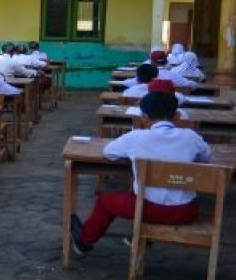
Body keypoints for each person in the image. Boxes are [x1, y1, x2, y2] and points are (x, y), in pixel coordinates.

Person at [69, 90, 212, 256]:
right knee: (141, 191)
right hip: (186, 212)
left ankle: (84, 241)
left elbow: (108, 152)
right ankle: (140, 236)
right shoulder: (191, 137)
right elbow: (207, 158)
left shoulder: (135, 137)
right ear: (177, 115)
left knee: (105, 201)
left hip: (146, 210)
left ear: (144, 117)